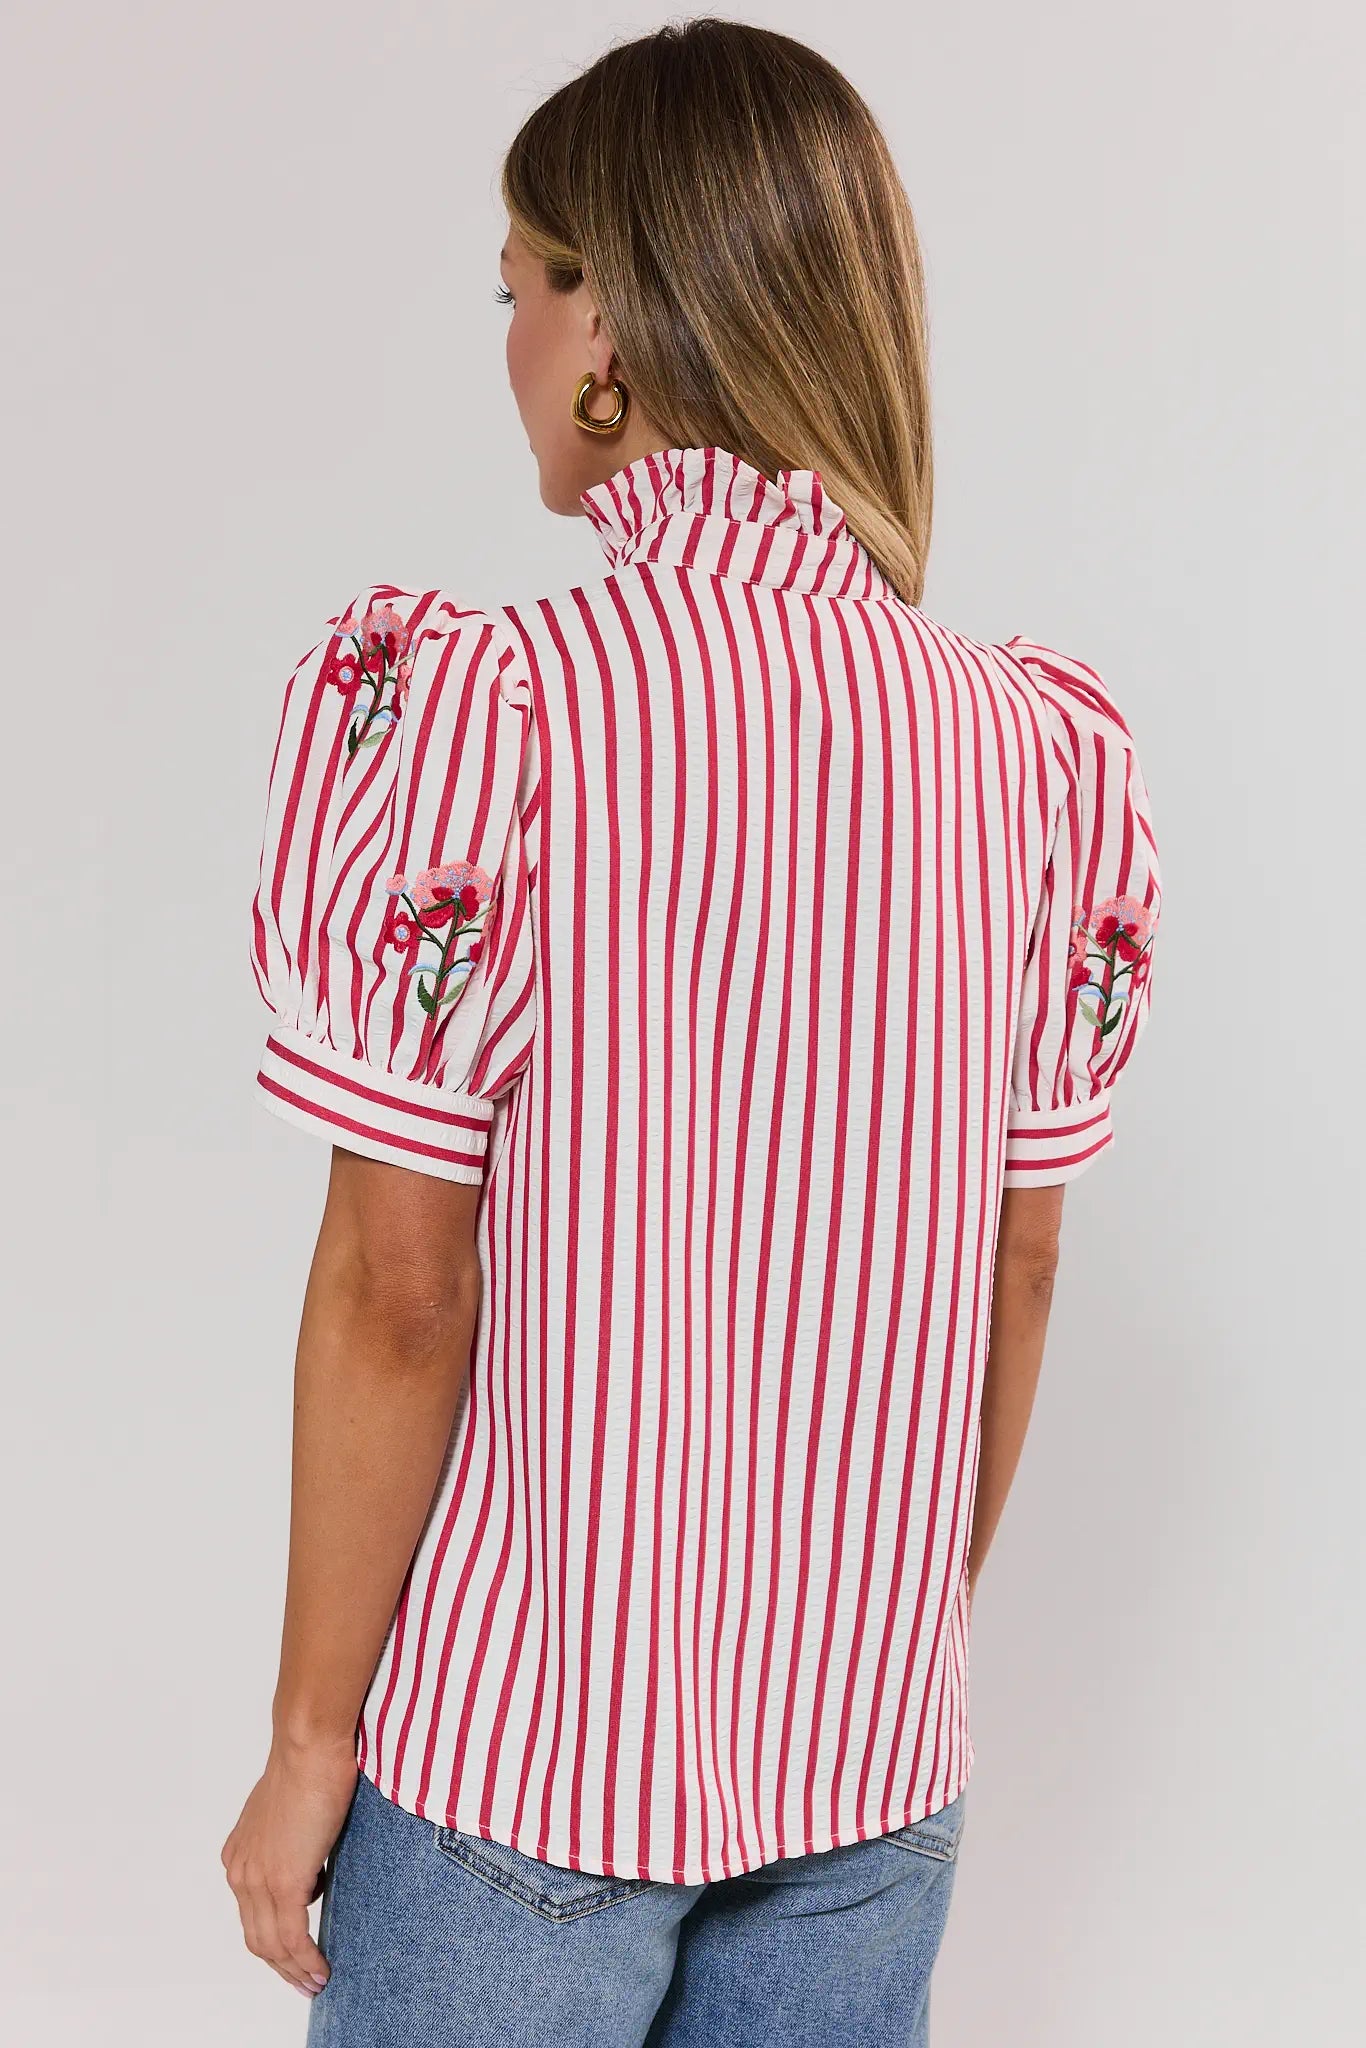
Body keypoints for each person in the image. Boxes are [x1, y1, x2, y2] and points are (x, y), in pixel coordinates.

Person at [221, 19, 1162, 2045]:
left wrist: (310, 1738)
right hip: (873, 1773)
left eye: (514, 281)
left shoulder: (498, 717)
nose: (503, 341)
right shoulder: (1027, 752)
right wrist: (878, 1628)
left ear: (608, 333)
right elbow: (1016, 1263)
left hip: (520, 1778)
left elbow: (401, 1290)